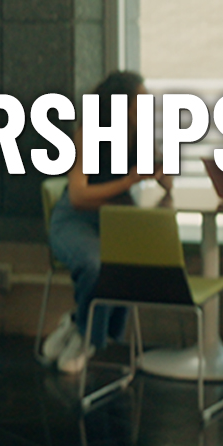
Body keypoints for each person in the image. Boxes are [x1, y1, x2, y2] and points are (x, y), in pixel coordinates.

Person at [41, 71, 171, 375]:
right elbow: (78, 195)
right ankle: (89, 338)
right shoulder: (89, 132)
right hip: (75, 221)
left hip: (114, 223)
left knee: (125, 266)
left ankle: (77, 324)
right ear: (121, 105)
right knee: (96, 265)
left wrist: (163, 169)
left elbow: (165, 185)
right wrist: (129, 180)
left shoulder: (139, 135)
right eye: (140, 100)